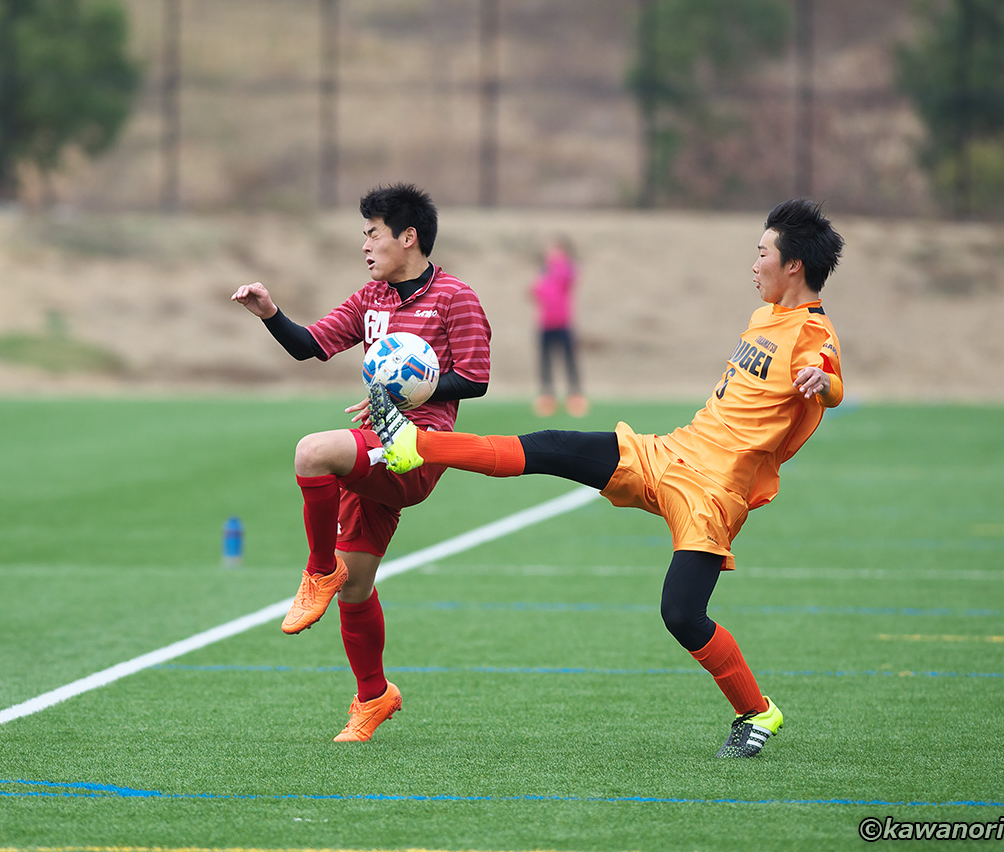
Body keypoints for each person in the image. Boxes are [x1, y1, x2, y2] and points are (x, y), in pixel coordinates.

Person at [369, 198, 844, 758]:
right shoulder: (764, 315)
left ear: (793, 266)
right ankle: (412, 444)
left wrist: (821, 380)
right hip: (670, 451)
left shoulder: (813, 331)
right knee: (550, 447)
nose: (754, 262)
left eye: (762, 252)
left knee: (681, 615)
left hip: (713, 490)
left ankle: (756, 712)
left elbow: (831, 379)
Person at [231, 183, 491, 742]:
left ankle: (316, 569)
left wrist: (410, 392)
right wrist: (270, 313)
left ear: (408, 237)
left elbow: (475, 378)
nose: (366, 246)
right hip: (375, 452)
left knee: (313, 451)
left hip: (416, 449)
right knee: (357, 589)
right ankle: (373, 696)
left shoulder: (456, 298)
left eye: (373, 234)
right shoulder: (370, 300)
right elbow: (309, 346)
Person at [530, 236, 586, 417]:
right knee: (545, 362)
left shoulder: (567, 270)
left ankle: (575, 396)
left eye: (554, 251)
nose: (550, 254)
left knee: (569, 361)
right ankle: (547, 397)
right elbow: (535, 292)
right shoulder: (544, 272)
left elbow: (572, 275)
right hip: (545, 324)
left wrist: (557, 265)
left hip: (563, 323)